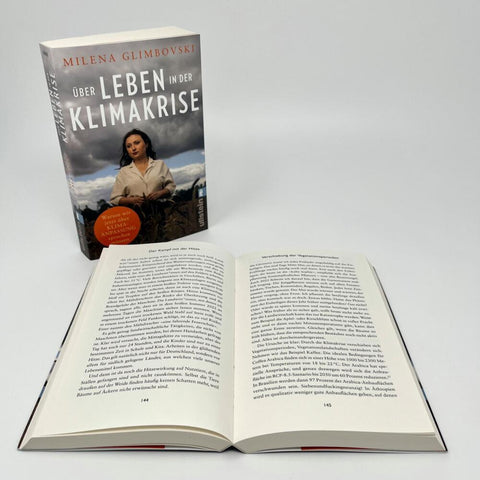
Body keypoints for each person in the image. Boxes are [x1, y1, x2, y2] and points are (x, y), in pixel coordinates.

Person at [110, 129, 176, 206]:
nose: (133, 148)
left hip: (163, 209)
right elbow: (114, 199)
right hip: (137, 212)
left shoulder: (160, 164)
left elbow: (171, 186)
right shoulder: (123, 172)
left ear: (146, 144)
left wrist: (161, 193)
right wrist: (130, 200)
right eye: (129, 146)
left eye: (137, 143)